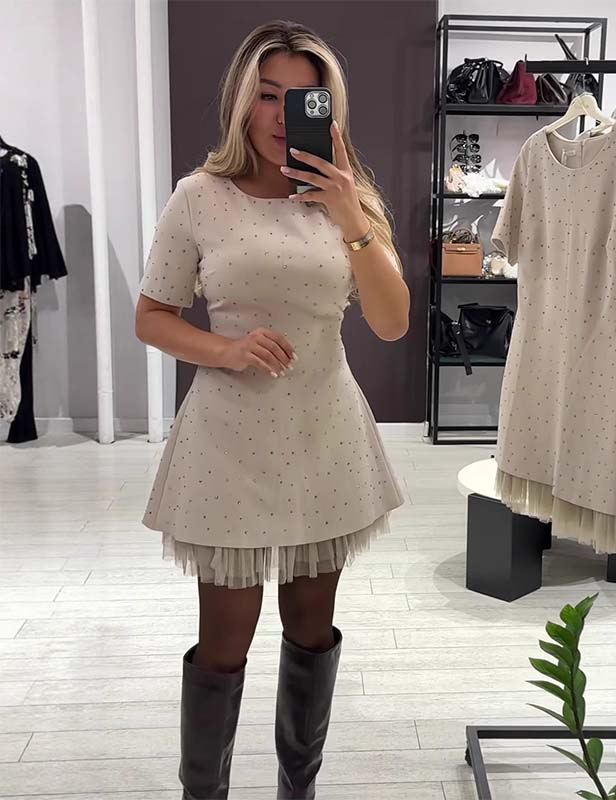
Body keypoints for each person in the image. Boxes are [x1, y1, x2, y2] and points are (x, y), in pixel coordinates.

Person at [134, 20, 409, 800]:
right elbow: (151, 316)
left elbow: (392, 321)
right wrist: (224, 350)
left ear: (330, 109)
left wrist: (351, 218)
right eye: (267, 95)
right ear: (241, 102)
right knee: (223, 644)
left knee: (312, 631)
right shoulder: (199, 197)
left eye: (304, 98)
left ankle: (299, 788)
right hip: (227, 444)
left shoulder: (349, 202)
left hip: (325, 436)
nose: (283, 115)